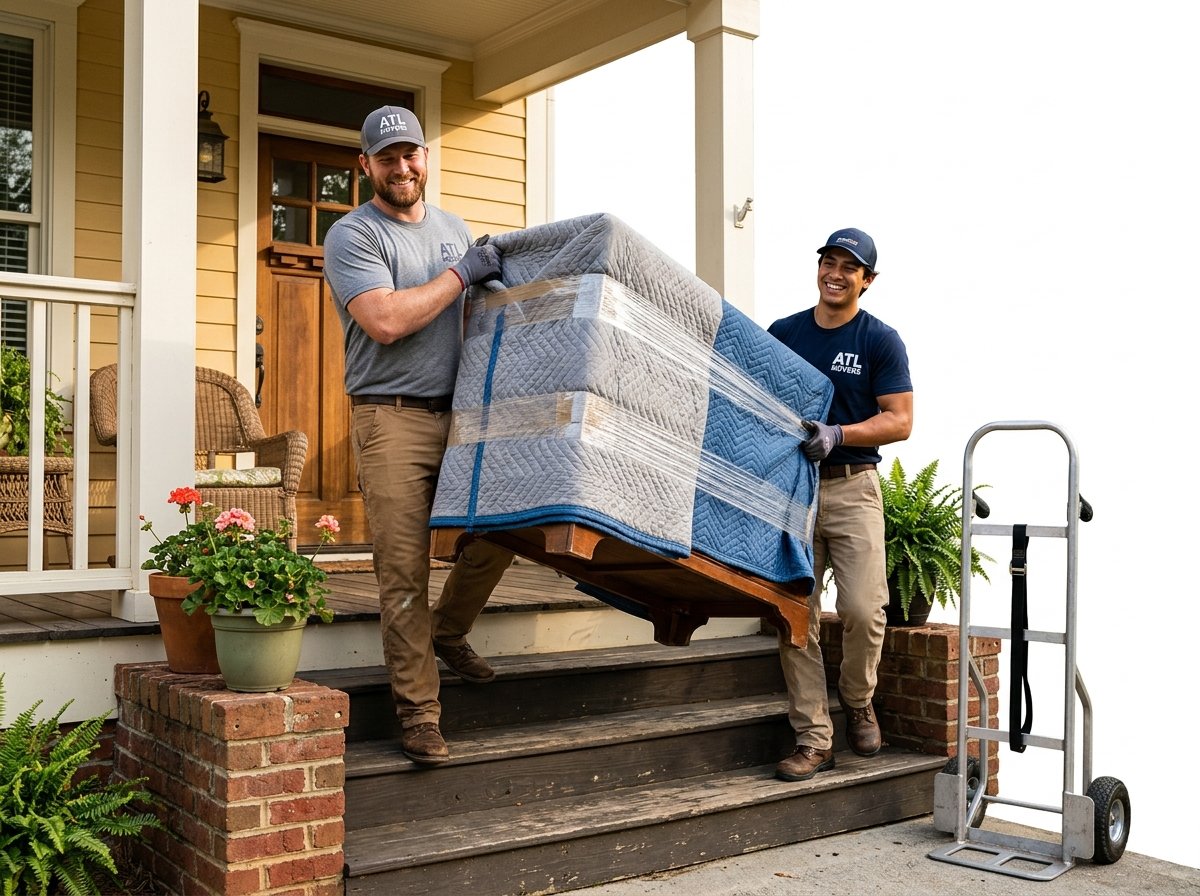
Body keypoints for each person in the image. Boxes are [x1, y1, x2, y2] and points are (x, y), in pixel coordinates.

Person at [323, 105, 515, 766]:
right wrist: (462, 273)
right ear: (366, 166)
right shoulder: (353, 235)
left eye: (411, 154)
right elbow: (384, 320)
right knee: (402, 571)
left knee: (503, 529)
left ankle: (450, 629)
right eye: (387, 157)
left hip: (459, 416)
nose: (401, 167)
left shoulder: (453, 229)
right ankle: (420, 712)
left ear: (425, 157)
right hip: (391, 417)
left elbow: (478, 323)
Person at [766, 227, 913, 781]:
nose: (835, 272)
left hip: (852, 488)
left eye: (849, 267)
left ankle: (857, 699)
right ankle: (814, 738)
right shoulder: (785, 333)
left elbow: (899, 420)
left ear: (866, 281)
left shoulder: (880, 340)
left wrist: (839, 434)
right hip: (791, 493)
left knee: (861, 610)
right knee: (794, 611)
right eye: (829, 261)